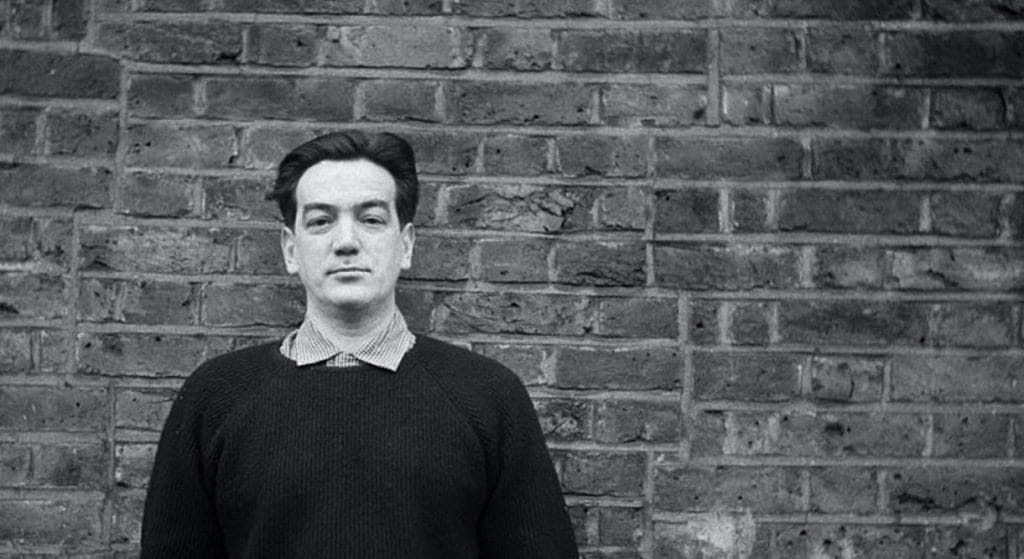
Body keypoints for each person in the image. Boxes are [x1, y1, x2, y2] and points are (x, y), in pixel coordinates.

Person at [139, 131, 579, 558]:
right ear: (291, 250)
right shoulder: (214, 399)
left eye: (370, 219)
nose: (346, 242)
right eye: (321, 221)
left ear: (405, 245)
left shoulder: (487, 397)